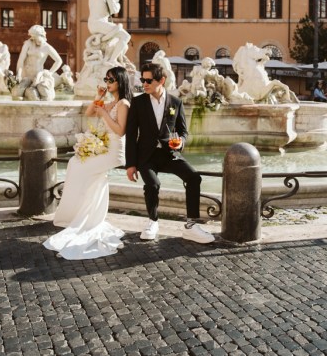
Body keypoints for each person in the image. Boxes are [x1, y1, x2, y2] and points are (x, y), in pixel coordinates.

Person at [43, 66, 133, 259]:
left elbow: (120, 130)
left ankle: (85, 218)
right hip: (103, 147)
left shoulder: (124, 103)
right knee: (76, 165)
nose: (107, 83)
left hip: (114, 151)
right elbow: (90, 113)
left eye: (111, 80)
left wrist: (104, 114)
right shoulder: (110, 102)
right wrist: (98, 96)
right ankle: (82, 215)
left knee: (77, 167)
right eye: (106, 79)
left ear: (120, 82)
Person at [125, 62, 215, 244]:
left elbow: (183, 132)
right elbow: (131, 134)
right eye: (143, 80)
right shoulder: (138, 102)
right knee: (153, 184)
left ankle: (191, 225)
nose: (145, 83)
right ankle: (153, 221)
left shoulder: (176, 102)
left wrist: (181, 142)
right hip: (147, 156)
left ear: (162, 80)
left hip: (170, 154)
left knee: (194, 177)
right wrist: (131, 164)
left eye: (149, 80)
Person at [12, 25, 63, 100]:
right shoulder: (28, 44)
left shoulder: (47, 47)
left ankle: (32, 90)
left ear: (43, 36)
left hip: (38, 77)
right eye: (34, 39)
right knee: (17, 94)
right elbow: (21, 59)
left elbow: (59, 61)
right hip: (26, 76)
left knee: (46, 95)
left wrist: (50, 72)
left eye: (38, 39)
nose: (37, 41)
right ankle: (28, 91)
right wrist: (19, 74)